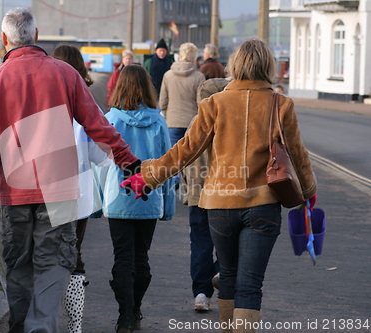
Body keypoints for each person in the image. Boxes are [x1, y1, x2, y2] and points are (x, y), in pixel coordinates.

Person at [122, 38, 317, 333]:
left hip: (220, 205)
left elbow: (185, 151)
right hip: (264, 204)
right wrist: (309, 193)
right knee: (250, 285)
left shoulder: (215, 103)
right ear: (268, 66)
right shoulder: (281, 104)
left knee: (227, 276)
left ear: (235, 65)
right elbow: (299, 155)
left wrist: (146, 177)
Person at [0, 8, 141, 333]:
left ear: (4, 39)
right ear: (36, 35)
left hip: (14, 193)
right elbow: (97, 124)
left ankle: (22, 327)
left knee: (18, 267)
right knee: (54, 264)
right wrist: (127, 159)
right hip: (59, 191)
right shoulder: (65, 74)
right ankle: (40, 327)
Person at [99, 65, 175, 333]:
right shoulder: (159, 121)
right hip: (149, 198)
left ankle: (124, 317)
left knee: (122, 258)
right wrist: (168, 206)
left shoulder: (109, 120)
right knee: (141, 257)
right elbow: (168, 167)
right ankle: (136, 310)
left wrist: (100, 202)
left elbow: (100, 166)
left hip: (118, 199)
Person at [50, 44, 111, 333]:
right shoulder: (88, 104)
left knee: (42, 256)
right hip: (79, 194)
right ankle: (75, 327)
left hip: (43, 192)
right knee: (74, 257)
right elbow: (102, 156)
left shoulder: (39, 100)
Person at [184, 77, 230, 312]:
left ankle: (201, 294)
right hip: (223, 194)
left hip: (197, 194)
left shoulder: (195, 122)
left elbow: (184, 157)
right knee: (227, 241)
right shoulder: (230, 124)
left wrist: (186, 187)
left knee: (200, 244)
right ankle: (221, 272)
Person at [159, 42, 205, 189]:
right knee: (190, 155)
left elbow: (163, 100)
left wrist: (166, 115)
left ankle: (175, 180)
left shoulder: (168, 75)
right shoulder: (199, 77)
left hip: (172, 121)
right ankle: (189, 184)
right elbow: (201, 102)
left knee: (174, 155)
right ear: (194, 57)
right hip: (191, 121)